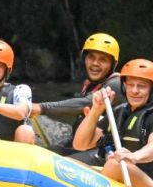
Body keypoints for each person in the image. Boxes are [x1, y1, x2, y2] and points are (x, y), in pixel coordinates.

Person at [72, 58, 153, 187]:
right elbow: (80, 144)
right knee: (72, 165)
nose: (134, 91)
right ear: (124, 87)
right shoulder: (120, 112)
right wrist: (96, 110)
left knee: (115, 165)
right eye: (130, 85)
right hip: (123, 175)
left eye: (141, 86)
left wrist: (133, 157)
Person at [26, 32, 124, 164]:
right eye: (91, 57)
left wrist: (42, 108)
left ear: (112, 64)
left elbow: (86, 103)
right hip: (84, 145)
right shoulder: (90, 85)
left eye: (103, 60)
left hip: (106, 151)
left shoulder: (116, 85)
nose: (95, 63)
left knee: (55, 163)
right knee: (43, 154)